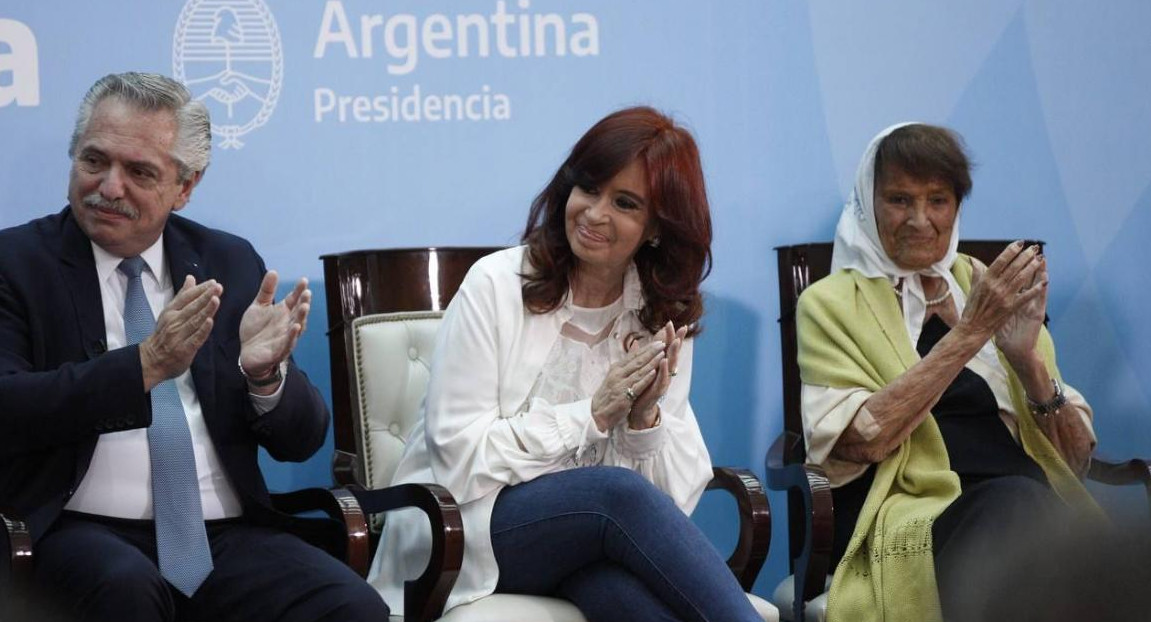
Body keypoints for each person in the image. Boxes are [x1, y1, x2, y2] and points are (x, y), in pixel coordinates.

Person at [0, 72, 388, 621]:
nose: (109, 186)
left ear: (185, 186)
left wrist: (265, 378)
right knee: (124, 589)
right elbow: (9, 406)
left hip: (226, 537)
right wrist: (143, 365)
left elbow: (301, 441)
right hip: (75, 530)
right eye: (94, 161)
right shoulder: (16, 265)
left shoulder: (228, 263)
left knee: (350, 607)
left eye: (138, 171)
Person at [368, 107, 766, 621]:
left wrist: (644, 423)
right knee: (613, 497)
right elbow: (458, 461)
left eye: (624, 203)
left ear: (656, 229)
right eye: (588, 189)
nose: (594, 213)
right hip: (461, 530)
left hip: (581, 543)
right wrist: (592, 417)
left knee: (619, 594)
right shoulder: (496, 284)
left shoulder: (659, 312)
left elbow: (666, 513)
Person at [797, 122, 1103, 621]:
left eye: (937, 200)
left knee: (1062, 531)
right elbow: (858, 442)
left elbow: (1073, 465)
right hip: (917, 511)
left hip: (1026, 501)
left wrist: (1028, 362)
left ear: (957, 207)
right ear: (868, 204)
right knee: (1019, 512)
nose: (920, 220)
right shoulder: (830, 304)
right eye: (899, 199)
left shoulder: (989, 285)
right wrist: (966, 336)